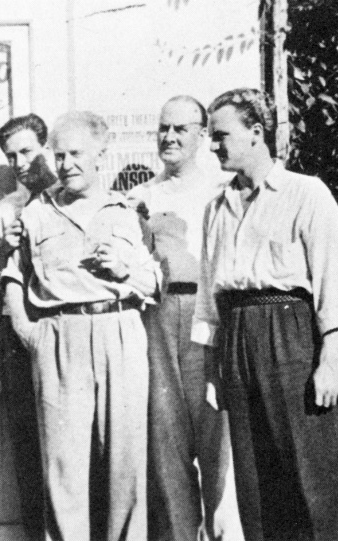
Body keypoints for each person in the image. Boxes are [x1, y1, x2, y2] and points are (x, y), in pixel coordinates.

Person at [193, 88, 338, 541]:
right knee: (256, 483)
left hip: (291, 337)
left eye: (221, 134)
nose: (213, 145)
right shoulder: (216, 208)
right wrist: (212, 372)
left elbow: (332, 284)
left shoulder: (306, 194)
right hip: (237, 340)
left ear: (257, 133)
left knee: (311, 476)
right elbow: (210, 296)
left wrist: (329, 362)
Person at [2, 111, 160, 540]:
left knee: (126, 462)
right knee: (63, 465)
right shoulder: (37, 211)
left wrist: (125, 269)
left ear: (100, 154)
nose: (67, 163)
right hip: (59, 336)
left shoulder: (125, 211)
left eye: (76, 154)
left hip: (120, 332)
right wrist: (27, 330)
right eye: (60, 155)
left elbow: (153, 281)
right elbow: (12, 274)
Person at [127, 96, 241, 541]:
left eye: (180, 129)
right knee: (166, 443)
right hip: (156, 317)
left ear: (201, 133)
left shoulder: (222, 190)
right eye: (163, 128)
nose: (169, 137)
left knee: (218, 444)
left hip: (207, 316)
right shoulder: (145, 196)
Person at [0, 113, 57, 538]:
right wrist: (4, 252)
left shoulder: (69, 198)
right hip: (20, 338)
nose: (21, 161)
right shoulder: (5, 210)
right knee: (29, 447)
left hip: (67, 330)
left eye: (28, 150)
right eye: (12, 156)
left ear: (45, 146)